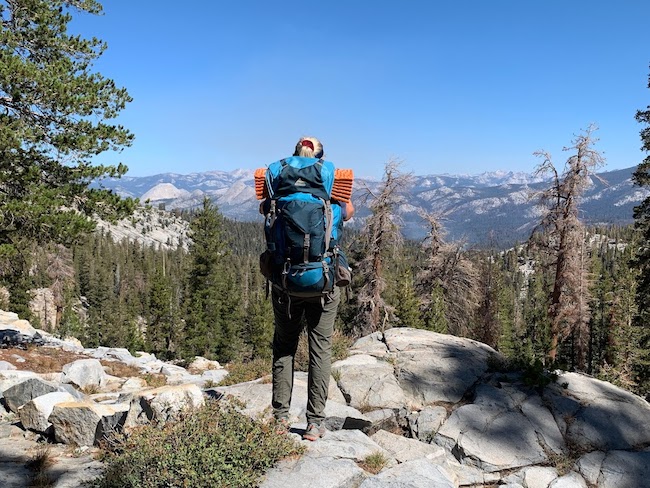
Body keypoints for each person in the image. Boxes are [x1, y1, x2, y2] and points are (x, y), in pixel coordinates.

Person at [259, 136, 354, 441]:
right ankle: (314, 422)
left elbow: (265, 212)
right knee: (320, 350)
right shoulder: (332, 203)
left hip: (286, 283)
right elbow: (348, 212)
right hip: (323, 283)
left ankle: (279, 418)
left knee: (284, 348)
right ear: (320, 163)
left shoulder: (277, 198)